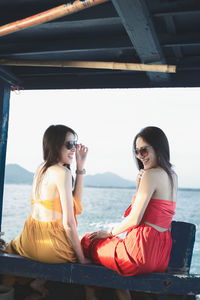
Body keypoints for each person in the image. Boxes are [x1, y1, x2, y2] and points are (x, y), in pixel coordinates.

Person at [81, 126, 178, 300]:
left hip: (140, 254)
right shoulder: (172, 175)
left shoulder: (150, 174)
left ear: (158, 147)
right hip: (161, 255)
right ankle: (120, 292)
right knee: (109, 247)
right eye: (137, 152)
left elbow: (134, 219)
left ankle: (92, 294)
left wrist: (108, 232)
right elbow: (152, 213)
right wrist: (139, 187)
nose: (140, 156)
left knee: (88, 242)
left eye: (144, 150)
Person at [3, 124, 90, 299]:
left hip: (29, 240)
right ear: (56, 145)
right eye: (69, 144)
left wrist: (80, 166)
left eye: (75, 143)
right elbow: (68, 222)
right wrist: (81, 259)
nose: (73, 148)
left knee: (11, 245)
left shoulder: (41, 169)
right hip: (50, 247)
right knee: (85, 248)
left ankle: (38, 281)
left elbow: (75, 203)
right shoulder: (62, 173)